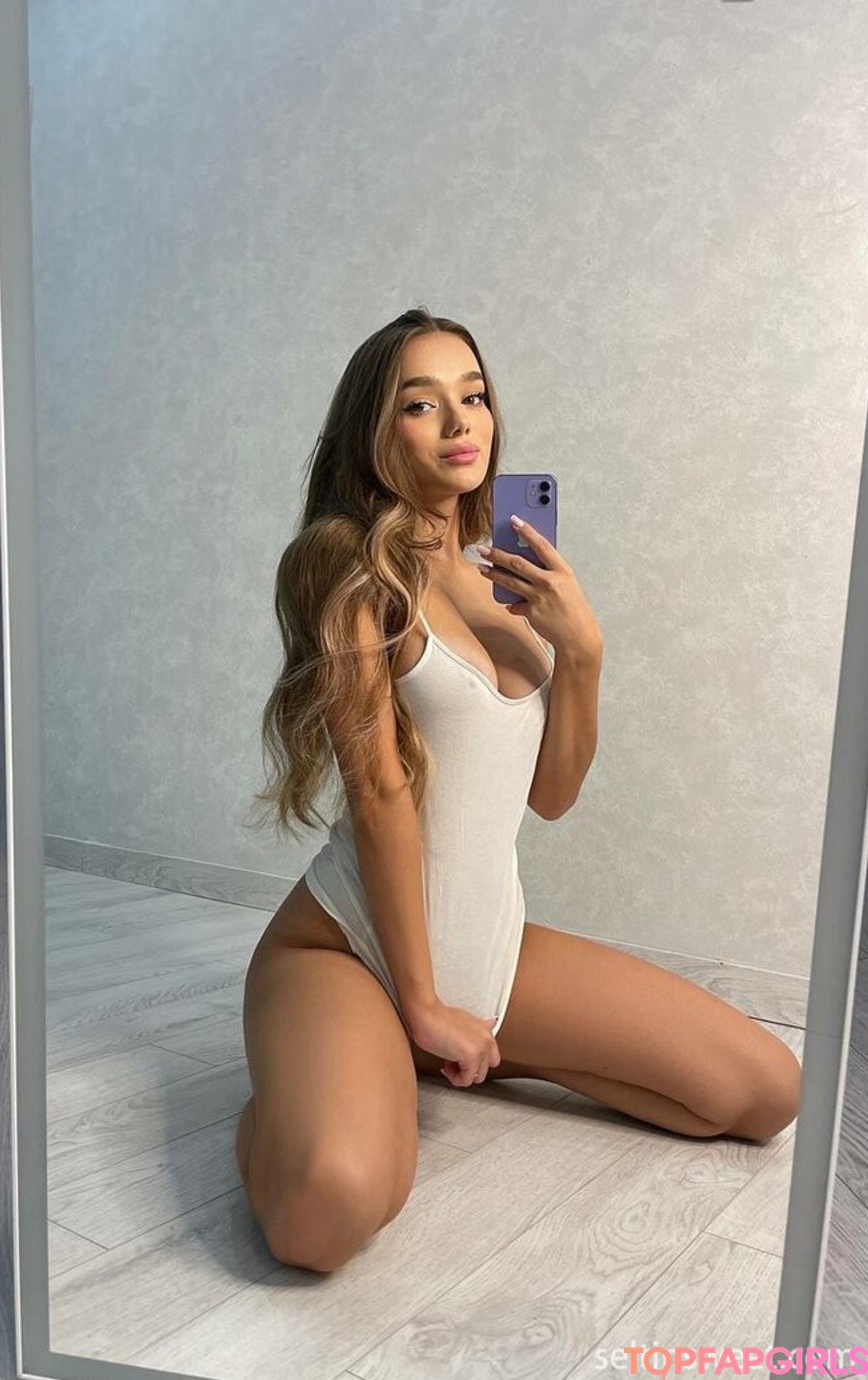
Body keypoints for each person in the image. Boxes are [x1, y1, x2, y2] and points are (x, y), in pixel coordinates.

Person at [236, 306, 801, 1274]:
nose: (461, 420)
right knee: (330, 1209)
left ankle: (437, 1053)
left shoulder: (501, 580)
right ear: (375, 430)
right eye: (422, 403)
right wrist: (418, 999)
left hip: (488, 952)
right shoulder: (347, 569)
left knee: (763, 1091)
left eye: (475, 395)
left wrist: (583, 654)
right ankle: (286, 1103)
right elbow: (379, 796)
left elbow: (551, 796)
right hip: (350, 948)